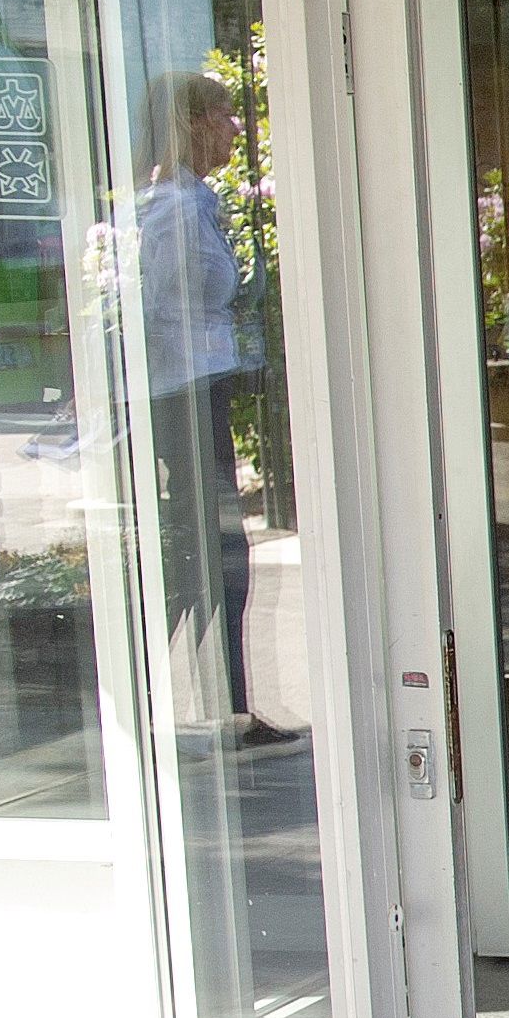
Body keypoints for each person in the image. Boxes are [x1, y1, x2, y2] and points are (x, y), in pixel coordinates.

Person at [131, 69, 286, 747]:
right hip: (183, 393)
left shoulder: (193, 203)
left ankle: (223, 700)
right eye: (225, 115)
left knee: (216, 548)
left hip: (203, 388)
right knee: (210, 548)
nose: (234, 129)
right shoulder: (172, 210)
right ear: (195, 124)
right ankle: (170, 699)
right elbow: (161, 308)